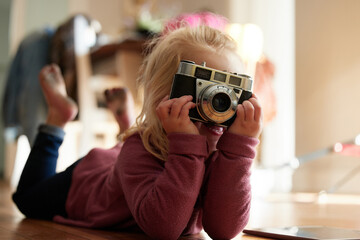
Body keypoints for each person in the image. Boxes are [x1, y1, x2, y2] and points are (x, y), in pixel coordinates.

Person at [12, 25, 263, 240]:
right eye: (205, 90)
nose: (219, 102)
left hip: (126, 162)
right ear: (162, 99)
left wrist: (240, 152)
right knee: (28, 199)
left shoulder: (223, 151)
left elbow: (223, 230)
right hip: (86, 183)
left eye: (229, 91)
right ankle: (59, 116)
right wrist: (186, 143)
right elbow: (164, 228)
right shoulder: (139, 147)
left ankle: (125, 124)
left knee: (135, 144)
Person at [2, 14, 101, 146]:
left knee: (35, 122)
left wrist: (10, 122)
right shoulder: (37, 43)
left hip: (45, 46)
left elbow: (12, 86)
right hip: (45, 49)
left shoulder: (35, 41)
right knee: (36, 113)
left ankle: (40, 152)